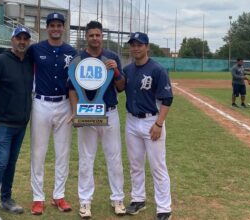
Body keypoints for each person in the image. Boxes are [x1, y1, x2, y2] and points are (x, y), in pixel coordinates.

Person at [68, 20, 126, 219]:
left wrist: (116, 70)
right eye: (91, 35)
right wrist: (76, 111)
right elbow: (71, 89)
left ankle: (117, 199)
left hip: (109, 112)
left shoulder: (112, 57)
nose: (95, 38)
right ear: (86, 37)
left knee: (114, 158)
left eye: (98, 35)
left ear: (102, 37)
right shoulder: (78, 59)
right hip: (87, 113)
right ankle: (85, 202)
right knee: (86, 159)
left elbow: (121, 86)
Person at [0, 26, 33, 220]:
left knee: (11, 163)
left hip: (20, 124)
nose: (22, 41)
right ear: (12, 40)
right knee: (0, 163)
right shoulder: (0, 61)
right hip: (1, 124)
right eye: (18, 38)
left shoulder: (28, 62)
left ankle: (7, 199)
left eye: (26, 39)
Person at [27, 12, 77, 215]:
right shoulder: (35, 49)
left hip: (64, 104)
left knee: (62, 153)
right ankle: (38, 198)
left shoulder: (71, 51)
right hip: (41, 103)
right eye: (52, 25)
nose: (56, 28)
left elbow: (76, 81)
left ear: (63, 28)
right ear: (46, 28)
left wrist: (76, 108)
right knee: (38, 153)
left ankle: (59, 195)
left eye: (59, 25)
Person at [123, 32, 173, 220]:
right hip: (131, 121)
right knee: (135, 164)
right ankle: (138, 199)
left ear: (147, 47)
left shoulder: (157, 69)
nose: (136, 48)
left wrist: (159, 124)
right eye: (133, 44)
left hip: (151, 121)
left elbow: (167, 99)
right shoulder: (127, 70)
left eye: (139, 44)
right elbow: (119, 87)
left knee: (157, 166)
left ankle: (164, 208)